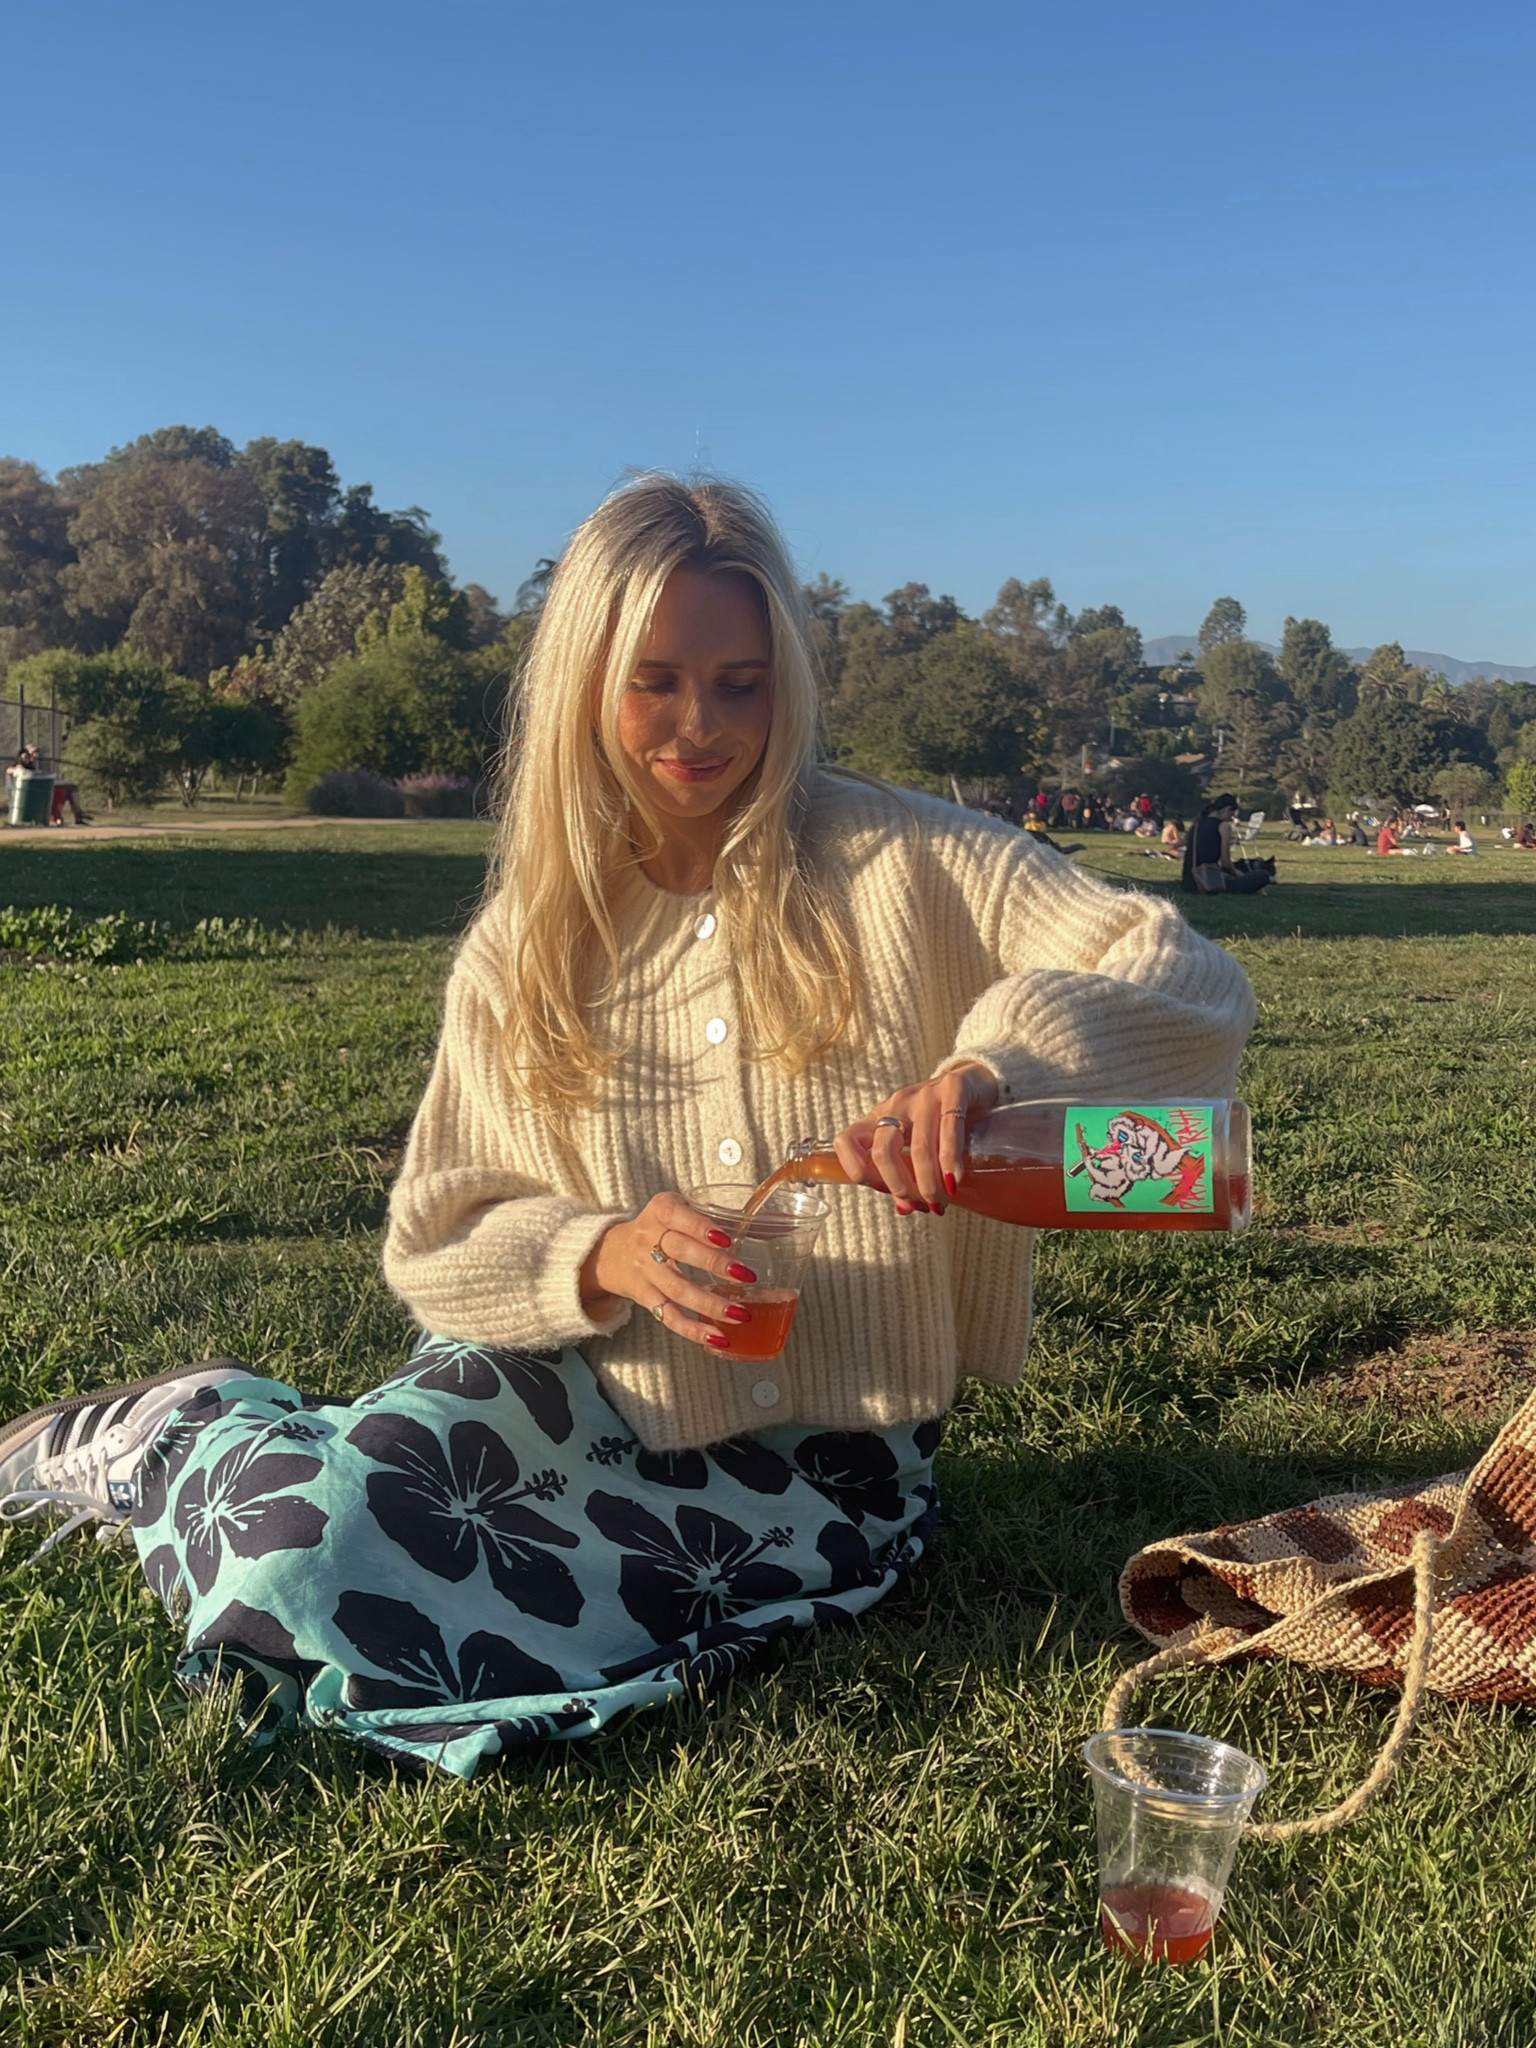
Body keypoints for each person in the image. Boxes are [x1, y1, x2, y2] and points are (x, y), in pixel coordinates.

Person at [0, 476, 1254, 1778]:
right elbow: (438, 1236)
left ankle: (267, 1459)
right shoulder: (531, 944)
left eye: (741, 683)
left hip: (835, 1481)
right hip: (570, 1392)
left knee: (369, 1586)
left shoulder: (907, 859)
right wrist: (600, 1253)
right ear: (584, 681)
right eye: (654, 679)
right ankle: (179, 1431)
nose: (698, 727)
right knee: (305, 1535)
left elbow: (1186, 979)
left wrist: (1000, 1064)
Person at [1182, 791, 1272, 894]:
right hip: (1209, 882)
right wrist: (1237, 875)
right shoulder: (1223, 826)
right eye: (1231, 814)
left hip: (1190, 880)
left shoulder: (1197, 823)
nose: (1231, 818)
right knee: (1263, 875)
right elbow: (1225, 862)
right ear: (1226, 809)